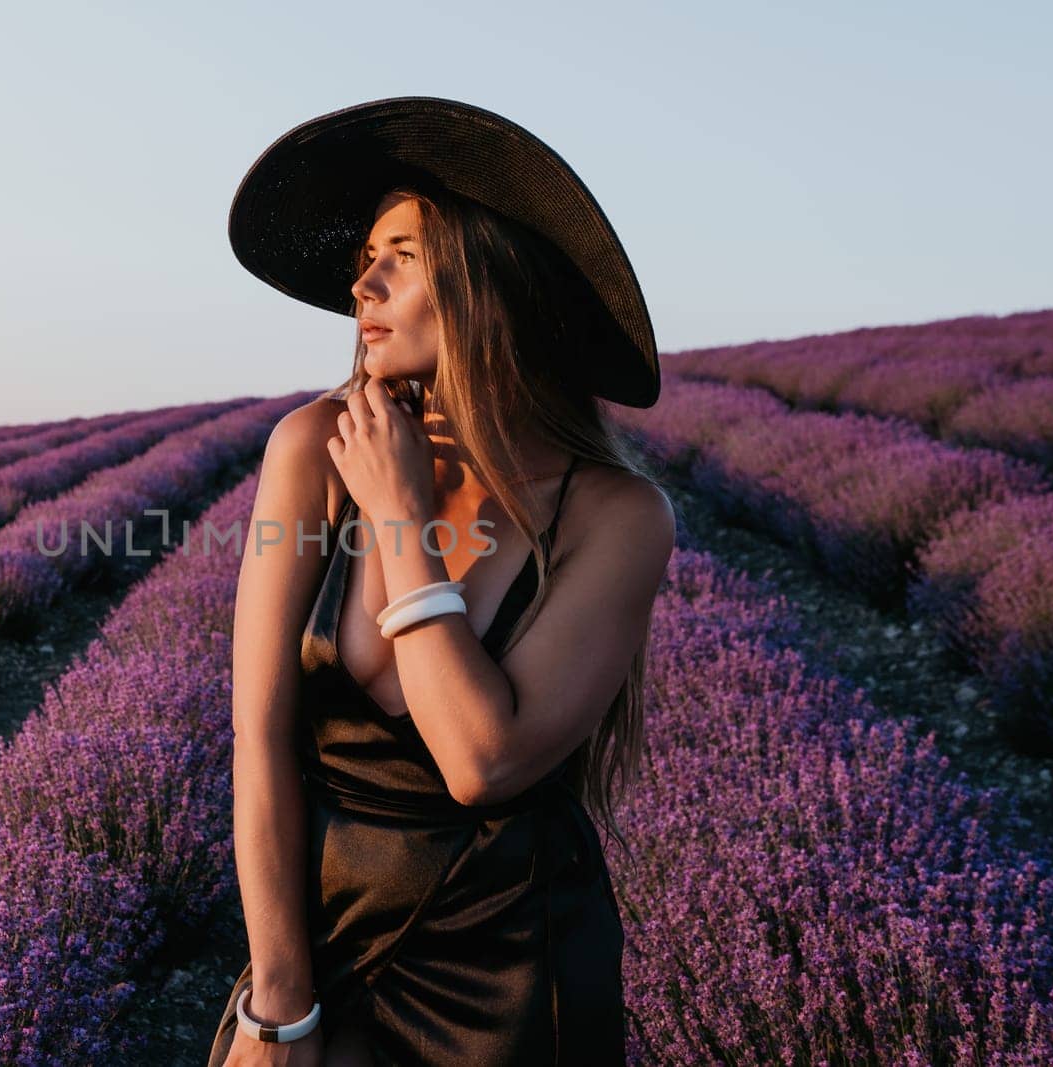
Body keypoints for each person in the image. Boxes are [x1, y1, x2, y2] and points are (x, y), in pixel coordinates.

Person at [208, 97, 677, 1067]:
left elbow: (483, 761)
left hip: (514, 973)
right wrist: (277, 1000)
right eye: (364, 258)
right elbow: (259, 735)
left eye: (401, 257)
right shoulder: (311, 447)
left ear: (488, 283)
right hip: (318, 948)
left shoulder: (615, 514)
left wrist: (396, 518)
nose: (362, 283)